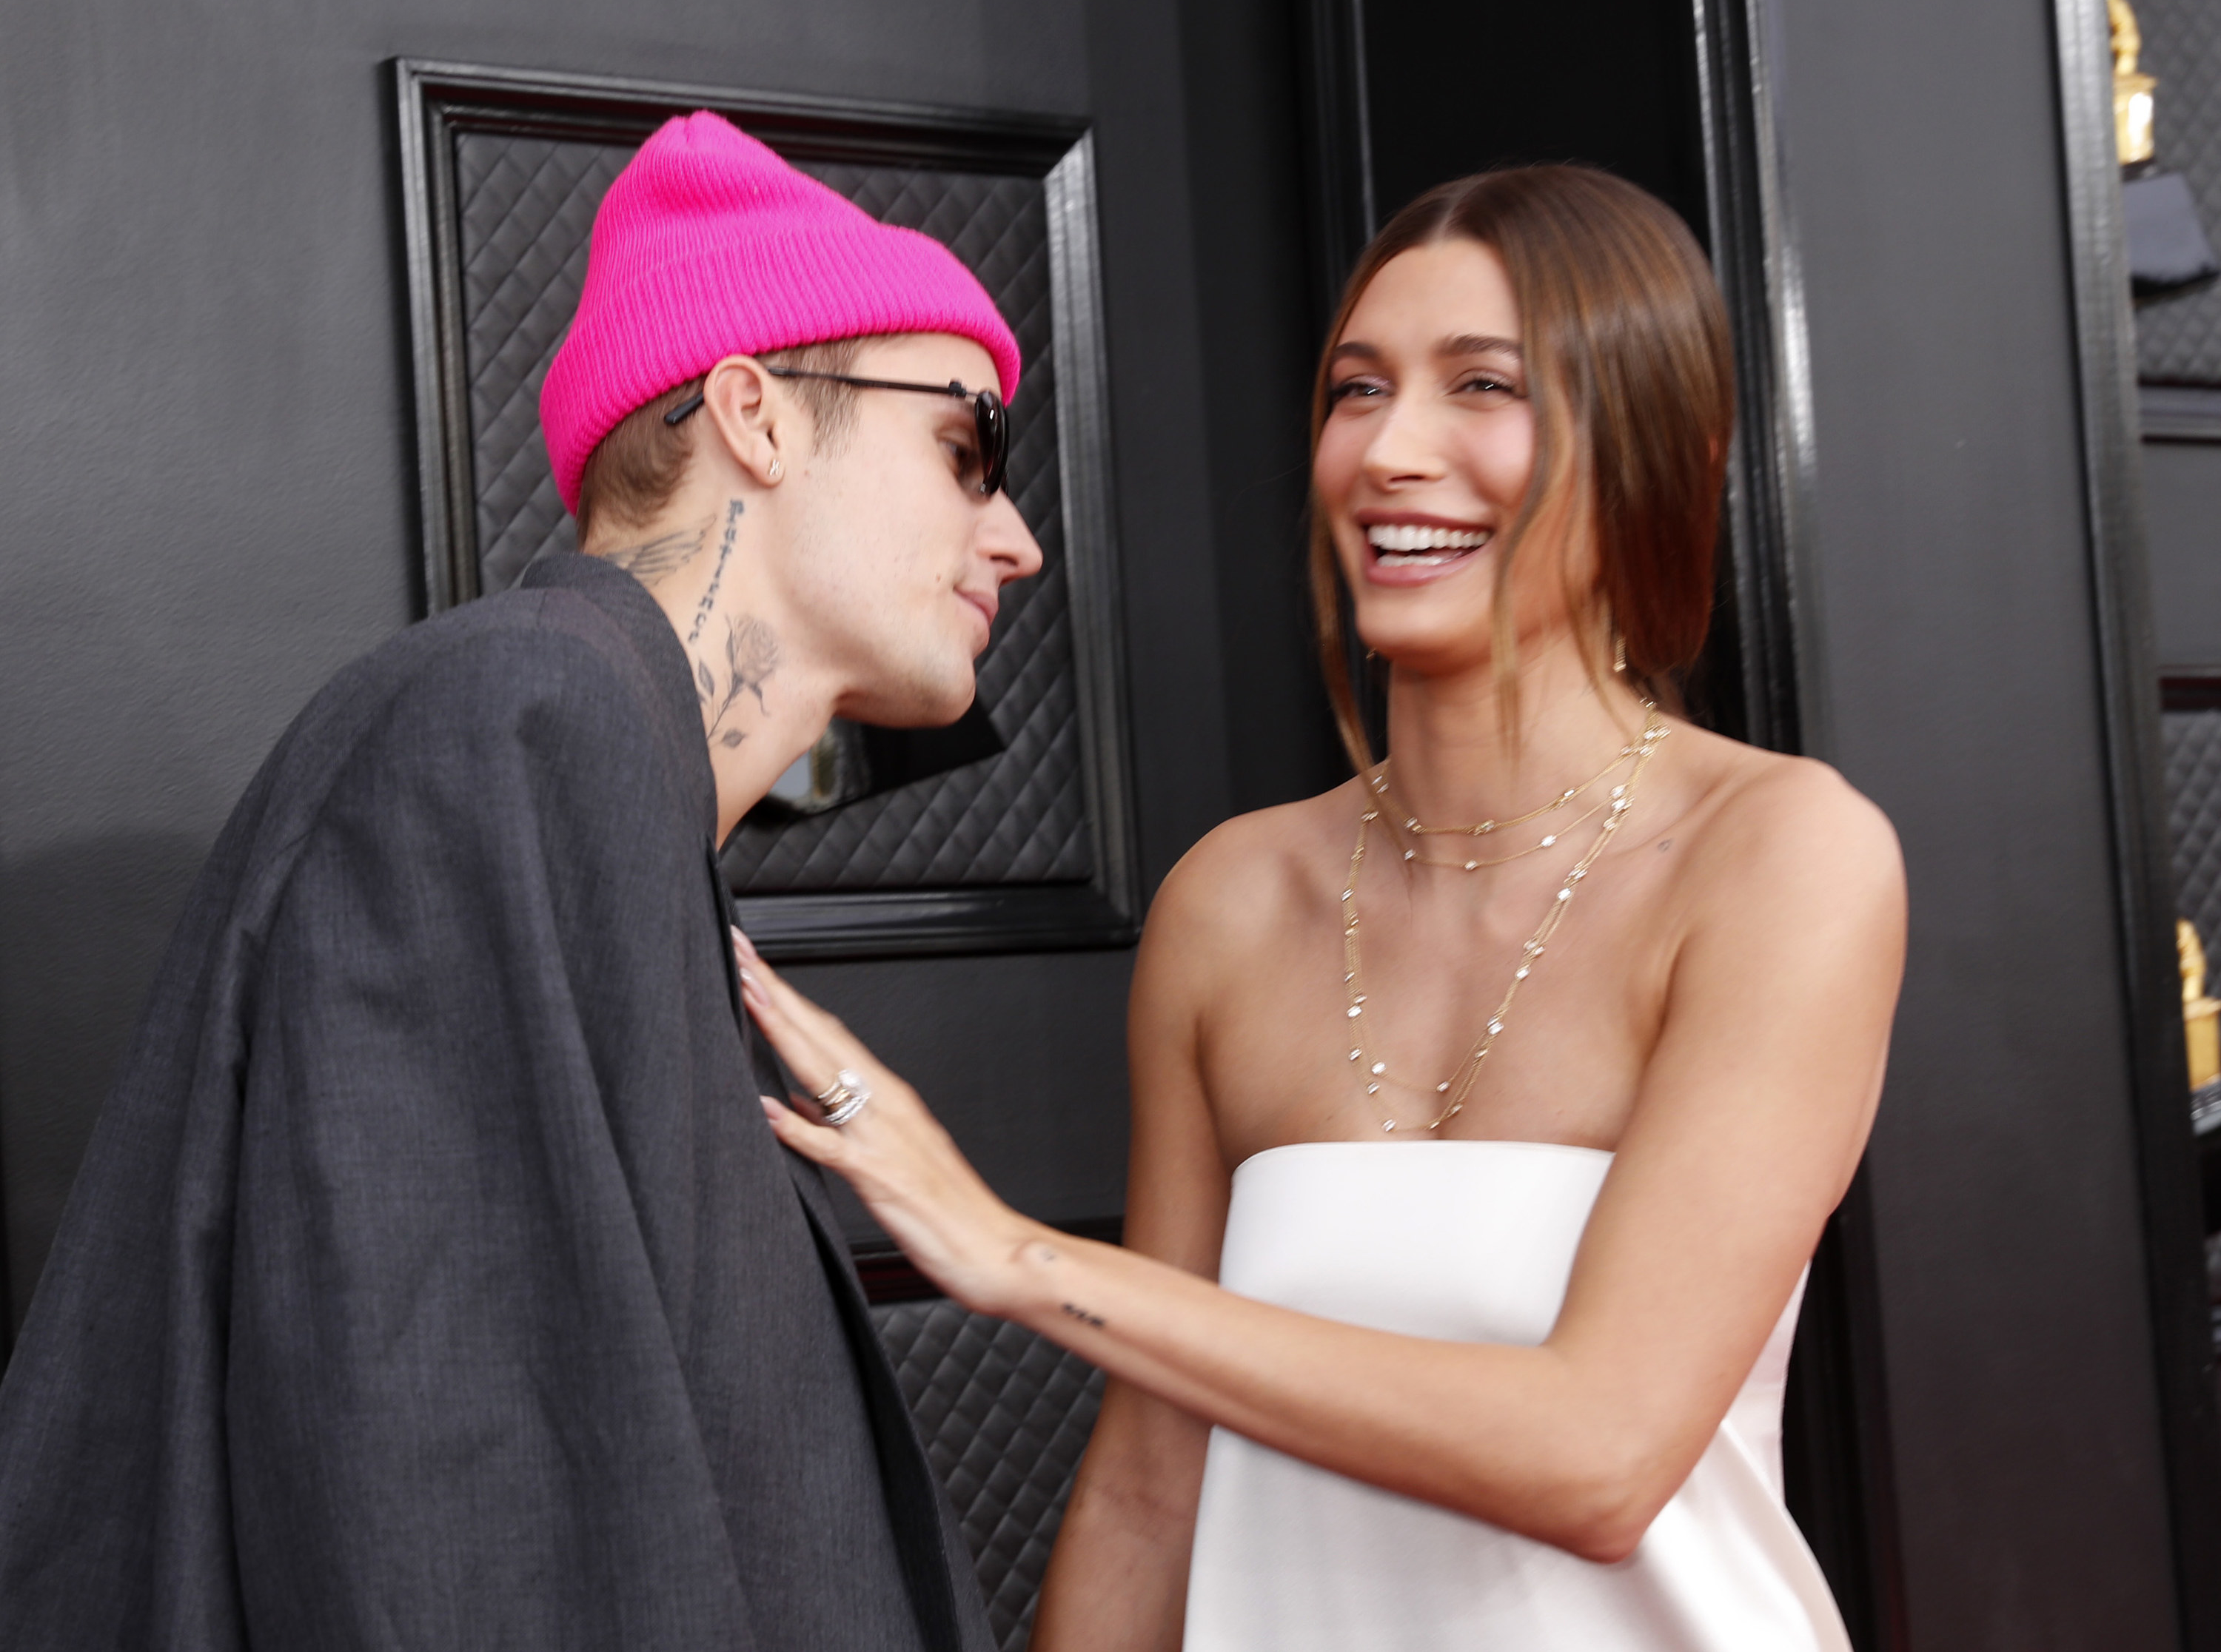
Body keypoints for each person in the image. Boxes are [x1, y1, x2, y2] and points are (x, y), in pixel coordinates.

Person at [732, 164, 1906, 1651]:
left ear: (1649, 444)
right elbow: (1153, 1488)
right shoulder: (1235, 899)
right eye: (1358, 390)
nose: (1389, 451)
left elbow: (1599, 1455)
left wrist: (1022, 1257)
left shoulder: (1782, 856)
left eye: (1483, 386)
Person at [0, 110, 1039, 1651]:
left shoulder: (584, 754)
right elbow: (462, 1491)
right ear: (754, 412)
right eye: (969, 449)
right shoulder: (525, 725)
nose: (1012, 536)